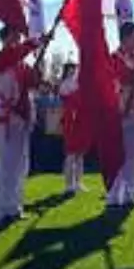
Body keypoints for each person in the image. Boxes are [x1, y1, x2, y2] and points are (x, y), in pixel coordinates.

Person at [0, 25, 42, 225]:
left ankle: (15, 207)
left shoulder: (22, 64)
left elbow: (34, 82)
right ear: (5, 38)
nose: (17, 39)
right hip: (6, 119)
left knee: (21, 166)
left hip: (22, 118)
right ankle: (0, 210)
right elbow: (12, 56)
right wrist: (35, 43)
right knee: (5, 166)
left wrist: (38, 66)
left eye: (19, 37)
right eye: (14, 36)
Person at [108, 21, 134, 209]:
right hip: (118, 109)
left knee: (132, 152)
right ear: (126, 38)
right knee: (116, 153)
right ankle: (114, 193)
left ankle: (130, 191)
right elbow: (115, 82)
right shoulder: (114, 58)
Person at [58, 62, 88, 196]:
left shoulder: (79, 82)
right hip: (70, 119)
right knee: (71, 154)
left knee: (80, 154)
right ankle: (68, 184)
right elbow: (67, 97)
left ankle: (79, 182)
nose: (73, 71)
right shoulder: (64, 84)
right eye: (70, 69)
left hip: (80, 119)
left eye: (74, 69)